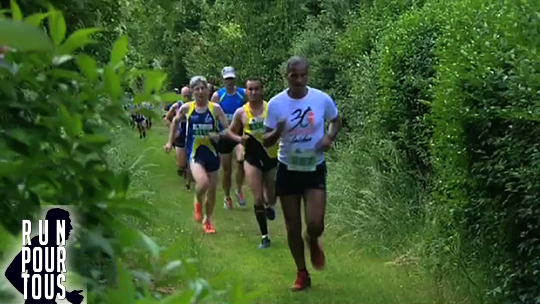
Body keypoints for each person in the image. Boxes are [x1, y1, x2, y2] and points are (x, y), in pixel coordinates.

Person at [262, 56, 340, 291]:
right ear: (286, 76)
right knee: (292, 226)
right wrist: (277, 132)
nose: (298, 79)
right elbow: (265, 139)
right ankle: (301, 272)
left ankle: (313, 240)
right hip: (288, 168)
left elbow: (336, 120)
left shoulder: (320, 98)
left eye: (302, 75)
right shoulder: (276, 104)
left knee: (315, 223)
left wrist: (329, 136)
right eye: (293, 75)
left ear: (308, 75)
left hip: (314, 166)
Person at [164, 76, 229, 234]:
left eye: (203, 88)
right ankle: (197, 202)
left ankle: (208, 220)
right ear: (192, 92)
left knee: (212, 190)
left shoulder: (216, 109)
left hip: (212, 153)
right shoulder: (187, 108)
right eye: (197, 89)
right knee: (203, 183)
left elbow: (227, 129)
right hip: (194, 152)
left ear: (208, 90)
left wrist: (219, 136)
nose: (200, 92)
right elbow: (174, 121)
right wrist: (169, 141)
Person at [225, 77, 278, 249]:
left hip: (271, 156)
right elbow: (230, 132)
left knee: (270, 195)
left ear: (262, 90)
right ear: (246, 91)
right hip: (252, 157)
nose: (253, 92)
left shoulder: (272, 108)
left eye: (256, 89)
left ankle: (270, 205)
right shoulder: (241, 112)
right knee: (257, 197)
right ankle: (264, 236)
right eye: (250, 89)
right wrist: (240, 138)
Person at [211, 66, 247, 209]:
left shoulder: (242, 93)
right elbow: (213, 116)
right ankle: (227, 197)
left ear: (235, 78)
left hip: (238, 135)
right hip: (224, 135)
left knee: (241, 160)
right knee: (226, 170)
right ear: (223, 79)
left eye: (231, 79)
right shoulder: (218, 95)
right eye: (227, 79)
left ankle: (238, 189)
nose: (229, 82)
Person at [164, 86, 193, 189]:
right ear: (181, 96)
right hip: (180, 136)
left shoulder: (194, 105)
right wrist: (174, 130)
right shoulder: (177, 106)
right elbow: (167, 118)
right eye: (184, 96)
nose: (186, 98)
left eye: (188, 95)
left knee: (192, 160)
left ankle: (188, 181)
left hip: (192, 135)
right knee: (181, 164)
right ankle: (183, 169)